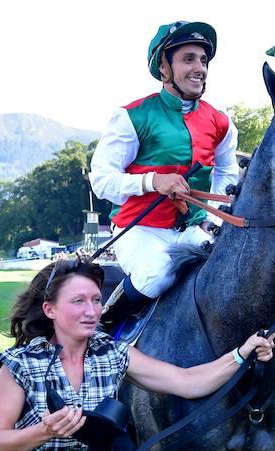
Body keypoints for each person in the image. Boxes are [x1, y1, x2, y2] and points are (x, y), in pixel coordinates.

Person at [0, 259, 273, 451]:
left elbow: (187, 382)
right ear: (50, 309)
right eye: (78, 301)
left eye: (96, 300)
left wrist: (242, 353)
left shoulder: (111, 354)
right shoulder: (21, 365)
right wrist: (44, 432)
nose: (91, 311)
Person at [90, 21, 239, 329]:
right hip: (140, 229)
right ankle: (103, 330)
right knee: (158, 274)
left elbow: (227, 173)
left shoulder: (221, 122)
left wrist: (216, 217)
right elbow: (101, 179)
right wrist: (152, 181)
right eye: (189, 59)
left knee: (230, 274)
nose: (200, 67)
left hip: (192, 228)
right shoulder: (132, 116)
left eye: (203, 60)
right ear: (164, 67)